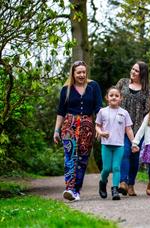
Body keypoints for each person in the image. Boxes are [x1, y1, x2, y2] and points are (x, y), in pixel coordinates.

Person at [53, 60, 102, 201]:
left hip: (87, 125)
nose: (81, 75)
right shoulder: (66, 89)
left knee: (82, 158)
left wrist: (99, 127)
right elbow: (60, 112)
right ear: (73, 74)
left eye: (83, 72)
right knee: (69, 157)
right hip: (69, 124)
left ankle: (76, 191)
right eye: (78, 72)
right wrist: (56, 131)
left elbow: (98, 108)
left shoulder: (94, 87)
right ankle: (69, 188)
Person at [116, 61, 150, 196]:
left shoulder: (146, 90)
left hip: (137, 129)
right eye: (132, 69)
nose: (133, 72)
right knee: (124, 152)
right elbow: (113, 98)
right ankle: (123, 182)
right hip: (120, 126)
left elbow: (148, 110)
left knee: (134, 157)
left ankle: (131, 184)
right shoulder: (122, 83)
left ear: (142, 73)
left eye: (136, 70)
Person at [95, 87, 134, 200]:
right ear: (107, 98)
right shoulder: (102, 111)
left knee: (116, 168)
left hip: (119, 146)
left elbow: (128, 129)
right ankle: (102, 183)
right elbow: (97, 126)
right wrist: (101, 133)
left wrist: (134, 143)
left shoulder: (124, 113)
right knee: (106, 168)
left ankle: (115, 190)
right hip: (106, 145)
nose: (114, 97)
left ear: (120, 98)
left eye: (117, 95)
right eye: (111, 95)